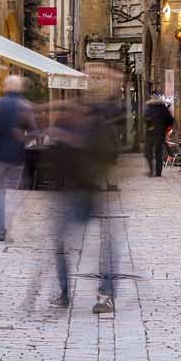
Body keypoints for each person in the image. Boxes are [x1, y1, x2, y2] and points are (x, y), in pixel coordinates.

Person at [52, 70, 123, 315]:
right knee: (61, 242)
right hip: (72, 189)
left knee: (106, 246)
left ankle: (106, 294)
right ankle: (63, 292)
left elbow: (106, 153)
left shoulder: (103, 119)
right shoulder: (75, 116)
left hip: (93, 189)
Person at [0, 75, 37, 242]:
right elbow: (34, 131)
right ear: (19, 88)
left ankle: (0, 231)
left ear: (5, 87)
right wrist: (24, 138)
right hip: (17, 156)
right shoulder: (25, 106)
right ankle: (8, 228)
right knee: (12, 192)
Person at [142, 94, 174, 177]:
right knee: (158, 152)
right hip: (160, 133)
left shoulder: (148, 108)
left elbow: (145, 119)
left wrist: (150, 124)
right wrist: (164, 126)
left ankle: (151, 170)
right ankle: (158, 172)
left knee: (148, 152)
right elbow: (170, 120)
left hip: (150, 133)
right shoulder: (163, 108)